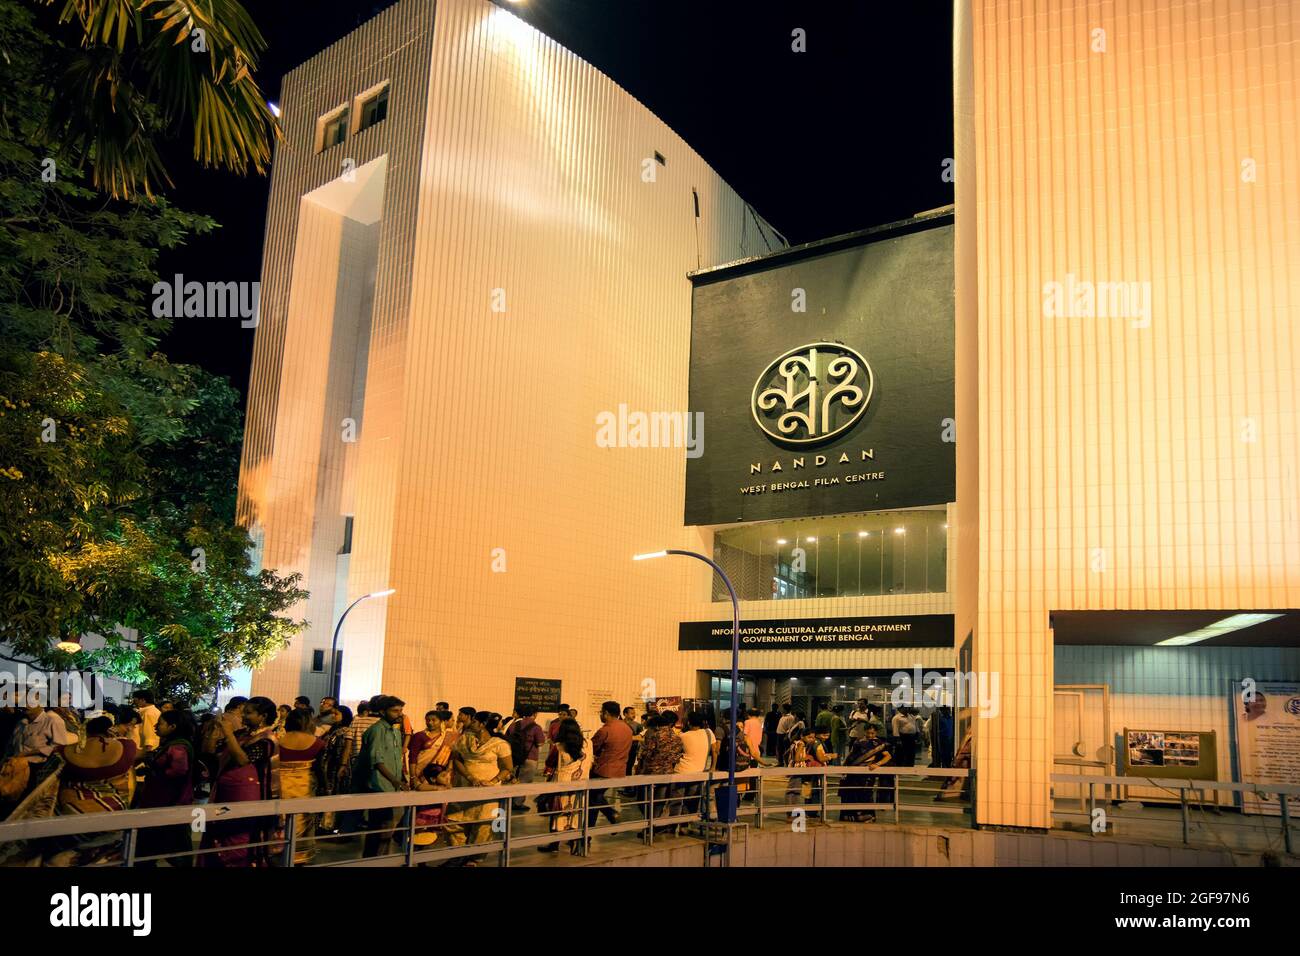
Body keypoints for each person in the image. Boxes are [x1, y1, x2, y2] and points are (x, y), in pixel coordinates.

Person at [201, 696, 278, 866]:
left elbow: (243, 759)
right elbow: (211, 751)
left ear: (263, 716)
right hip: (225, 792)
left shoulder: (268, 740)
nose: (243, 717)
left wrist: (228, 732)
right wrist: (214, 731)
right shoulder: (241, 734)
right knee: (217, 834)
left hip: (247, 797)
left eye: (248, 713)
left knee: (238, 839)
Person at [445, 710, 513, 866]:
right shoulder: (464, 740)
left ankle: (474, 859)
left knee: (483, 825)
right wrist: (470, 777)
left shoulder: (499, 744)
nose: (471, 723)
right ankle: (458, 855)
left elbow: (507, 767)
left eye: (475, 721)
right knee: (453, 821)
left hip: (489, 791)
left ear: (482, 725)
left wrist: (493, 781)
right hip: (464, 787)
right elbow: (456, 759)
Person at [136, 709, 197, 865]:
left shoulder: (178, 747)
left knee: (162, 845)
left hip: (167, 802)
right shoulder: (172, 745)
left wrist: (153, 770)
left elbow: (178, 771)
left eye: (161, 723)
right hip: (162, 802)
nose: (156, 726)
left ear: (173, 727)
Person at [354, 696, 408, 858]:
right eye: (395, 711)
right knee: (378, 831)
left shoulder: (396, 733)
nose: (400, 714)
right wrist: (395, 780)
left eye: (401, 711)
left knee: (386, 831)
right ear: (383, 712)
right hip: (379, 786)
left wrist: (401, 779)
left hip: (391, 787)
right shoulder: (377, 730)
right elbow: (377, 761)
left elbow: (396, 760)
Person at [274, 709, 326, 864]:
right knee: (303, 822)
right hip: (304, 787)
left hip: (281, 787)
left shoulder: (277, 740)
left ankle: (278, 851)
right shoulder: (317, 743)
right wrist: (325, 788)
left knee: (280, 821)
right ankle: (299, 857)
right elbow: (320, 769)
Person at [57, 715, 136, 816]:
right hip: (113, 810)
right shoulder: (127, 747)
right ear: (109, 730)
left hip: (72, 809)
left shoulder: (62, 751)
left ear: (86, 730)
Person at [537, 717, 591, 855]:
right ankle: (575, 845)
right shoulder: (588, 744)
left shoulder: (559, 746)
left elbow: (550, 762)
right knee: (576, 814)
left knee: (557, 813)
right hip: (580, 784)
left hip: (561, 784)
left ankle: (554, 845)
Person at [586, 700, 632, 841]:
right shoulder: (627, 728)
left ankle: (588, 835)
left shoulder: (604, 730)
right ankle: (610, 815)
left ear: (606, 713)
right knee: (596, 798)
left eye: (601, 712)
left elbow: (591, 747)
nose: (600, 714)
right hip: (619, 770)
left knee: (592, 800)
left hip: (602, 770)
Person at [635, 711, 684, 833]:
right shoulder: (677, 737)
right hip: (667, 772)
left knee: (642, 799)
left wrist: (640, 765)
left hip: (650, 773)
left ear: (656, 726)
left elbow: (647, 753)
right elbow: (677, 757)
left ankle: (649, 825)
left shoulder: (655, 736)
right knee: (659, 802)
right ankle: (653, 826)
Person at [840, 726, 892, 822]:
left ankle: (867, 815)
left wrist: (877, 764)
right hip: (853, 771)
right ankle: (852, 816)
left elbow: (888, 756)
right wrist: (844, 767)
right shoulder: (858, 741)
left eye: (872, 733)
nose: (870, 735)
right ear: (865, 731)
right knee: (852, 793)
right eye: (868, 733)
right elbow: (850, 754)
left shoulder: (879, 744)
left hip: (867, 773)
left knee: (866, 793)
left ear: (876, 733)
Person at [317, 704, 352, 832]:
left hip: (338, 765)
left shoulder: (347, 730)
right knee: (326, 791)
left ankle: (332, 824)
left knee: (336, 791)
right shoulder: (332, 730)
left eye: (336, 714)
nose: (333, 716)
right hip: (328, 764)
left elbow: (347, 748)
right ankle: (324, 823)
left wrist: (343, 765)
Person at [505, 704, 546, 812]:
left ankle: (507, 800)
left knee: (511, 778)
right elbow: (541, 743)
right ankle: (517, 803)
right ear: (535, 714)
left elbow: (506, 737)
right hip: (530, 757)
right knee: (524, 781)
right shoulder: (536, 727)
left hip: (512, 756)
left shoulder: (514, 725)